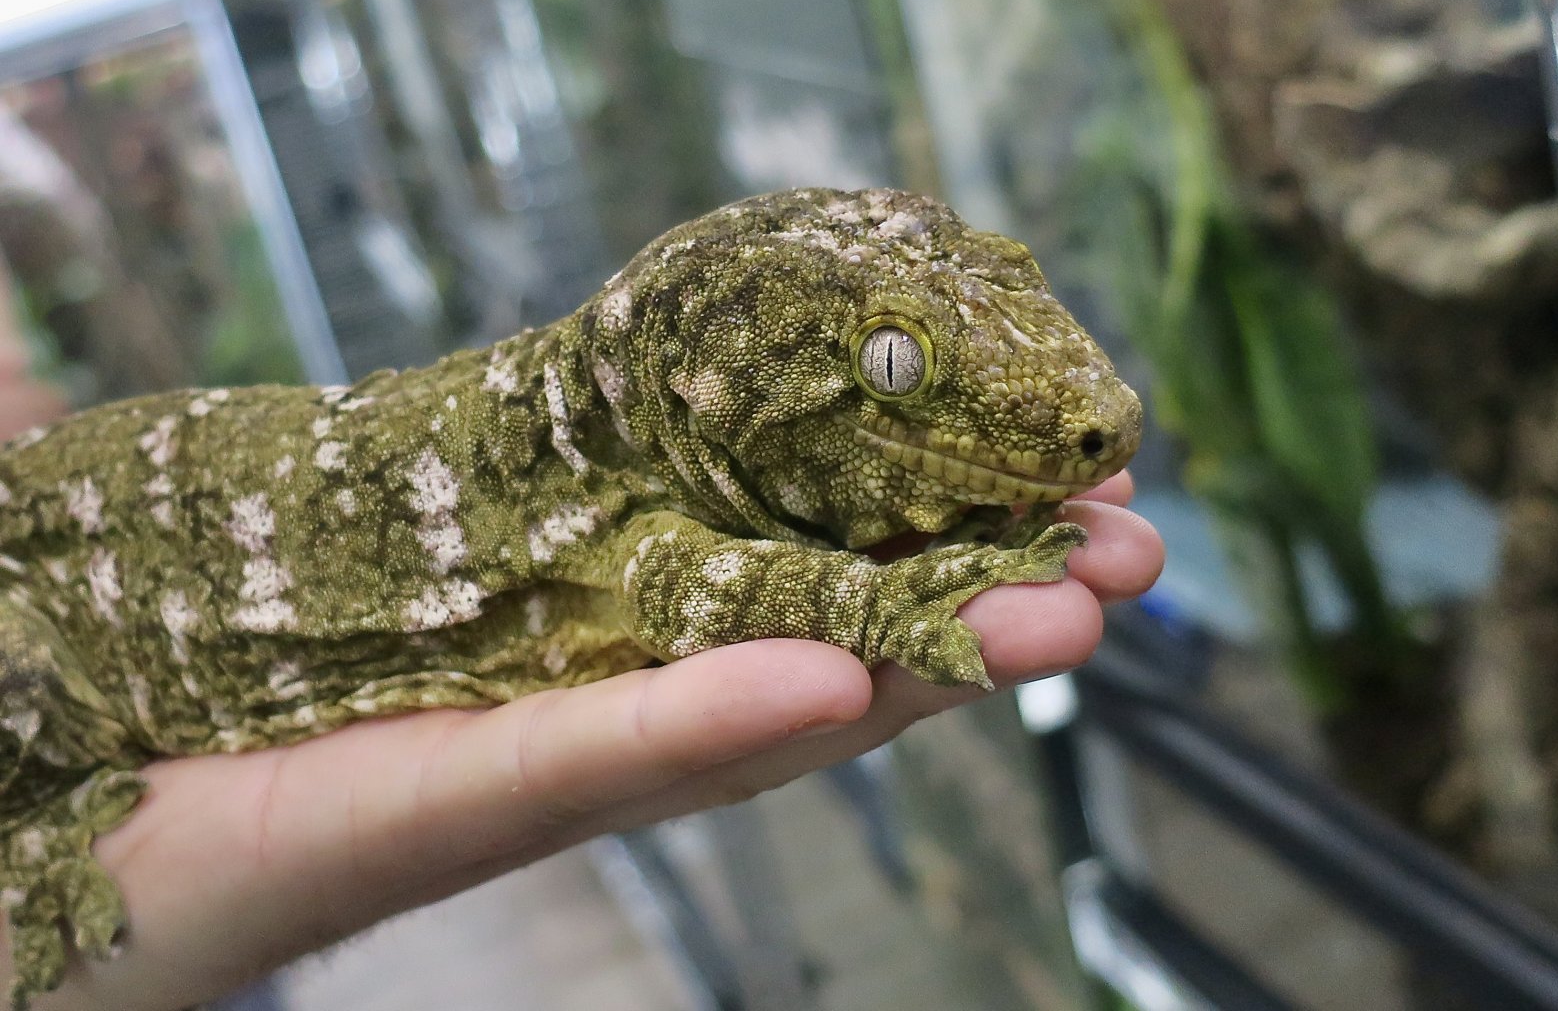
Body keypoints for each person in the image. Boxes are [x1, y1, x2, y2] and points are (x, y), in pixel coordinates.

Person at [0, 278, 1165, 1011]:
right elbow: (681, 589)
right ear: (710, 389)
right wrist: (886, 600)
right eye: (895, 368)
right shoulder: (633, 503)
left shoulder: (649, 450)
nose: (1089, 419)